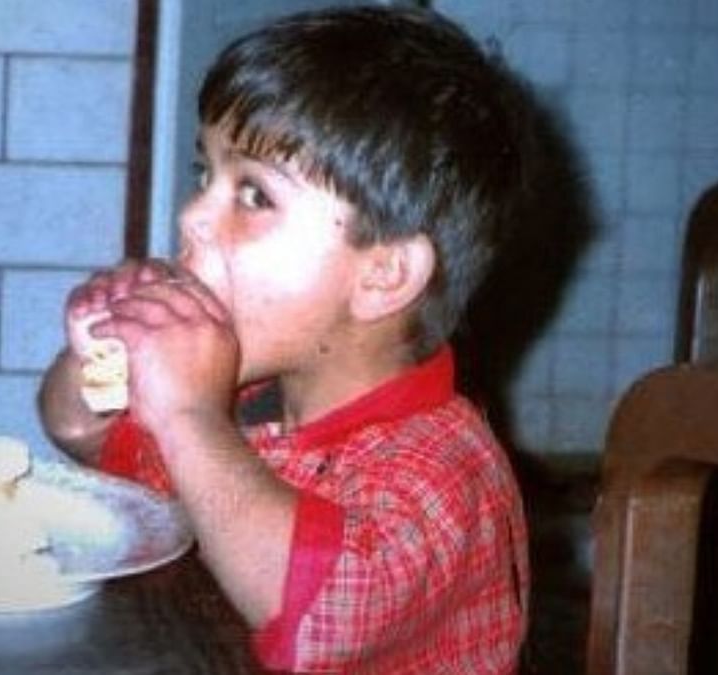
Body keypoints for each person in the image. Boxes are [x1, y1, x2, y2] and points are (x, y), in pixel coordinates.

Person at [38, 6, 532, 672]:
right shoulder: (244, 400)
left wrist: (187, 414)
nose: (191, 215)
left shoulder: (446, 474)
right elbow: (80, 430)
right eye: (203, 173)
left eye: (254, 195)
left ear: (385, 274)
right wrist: (101, 352)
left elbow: (311, 608)